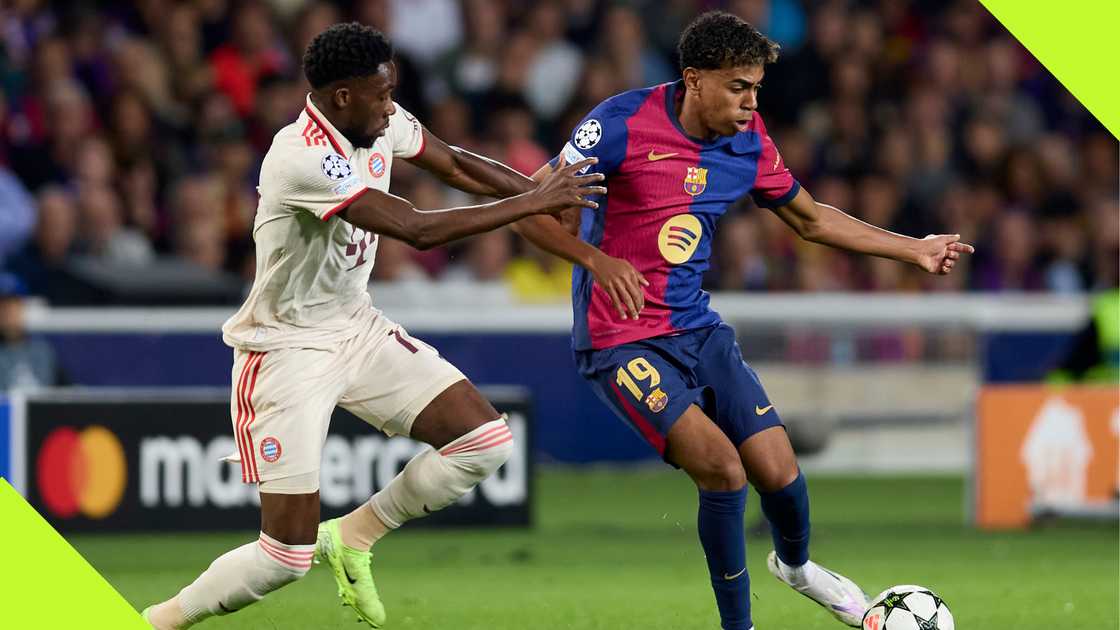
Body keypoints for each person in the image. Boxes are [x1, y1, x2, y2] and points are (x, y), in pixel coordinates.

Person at [511, 12, 974, 630]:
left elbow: (811, 220)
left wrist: (911, 246)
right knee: (723, 469)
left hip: (696, 328)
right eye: (739, 87)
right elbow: (527, 209)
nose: (752, 102)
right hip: (619, 338)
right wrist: (597, 261)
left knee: (779, 471)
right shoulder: (618, 124)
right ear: (694, 79)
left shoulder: (748, 143)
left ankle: (798, 568)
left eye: (756, 87)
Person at [141, 22, 603, 630]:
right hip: (286, 349)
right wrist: (530, 204)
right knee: (283, 557)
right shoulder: (301, 156)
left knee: (485, 443)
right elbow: (414, 226)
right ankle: (155, 620)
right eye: (381, 95)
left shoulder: (376, 116)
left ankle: (354, 535)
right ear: (341, 97)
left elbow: (456, 164)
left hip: (355, 326)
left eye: (392, 93)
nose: (392, 107)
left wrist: (548, 189)